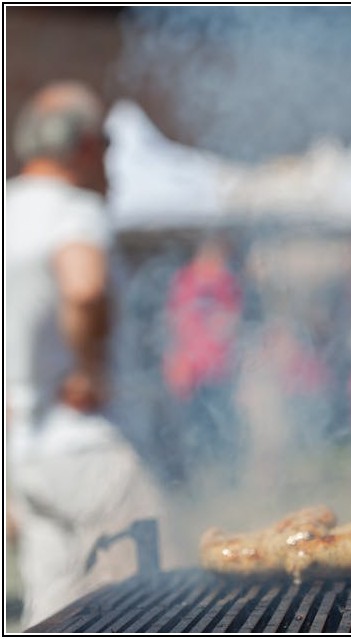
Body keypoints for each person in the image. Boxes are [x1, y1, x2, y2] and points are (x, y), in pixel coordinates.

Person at [5, 81, 167, 627]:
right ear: (83, 146)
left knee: (51, 611)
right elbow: (84, 287)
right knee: (147, 606)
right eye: (106, 144)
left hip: (25, 456)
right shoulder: (74, 210)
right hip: (89, 451)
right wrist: (88, 368)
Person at [162, 235, 244, 487]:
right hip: (190, 371)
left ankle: (223, 479)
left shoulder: (225, 282)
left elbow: (232, 320)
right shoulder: (185, 280)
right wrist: (176, 360)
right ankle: (190, 480)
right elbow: (173, 322)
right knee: (188, 431)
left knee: (221, 430)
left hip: (218, 370)